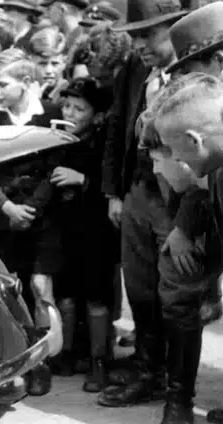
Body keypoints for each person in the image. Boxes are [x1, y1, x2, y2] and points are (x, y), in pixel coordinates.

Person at [98, 0, 190, 408]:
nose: (139, 45)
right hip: (136, 192)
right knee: (139, 289)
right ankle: (147, 369)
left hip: (180, 200)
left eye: (149, 34)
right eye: (134, 36)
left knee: (178, 293)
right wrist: (113, 193)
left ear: (175, 27)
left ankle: (177, 387)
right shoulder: (135, 70)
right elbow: (118, 127)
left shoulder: (196, 72)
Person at [0, 48, 62, 396]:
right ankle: (13, 361)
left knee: (41, 286)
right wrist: (7, 207)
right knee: (10, 289)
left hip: (42, 218)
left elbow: (54, 166)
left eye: (3, 85)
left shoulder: (50, 114)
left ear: (26, 83)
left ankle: (42, 362)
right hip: (3, 216)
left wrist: (32, 209)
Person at [159, 3, 223, 421]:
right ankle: (177, 399)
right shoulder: (207, 106)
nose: (188, 81)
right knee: (177, 283)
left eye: (197, 68)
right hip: (204, 208)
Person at [51, 77, 117, 393]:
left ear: (96, 113)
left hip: (96, 231)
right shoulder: (53, 138)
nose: (71, 113)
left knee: (96, 296)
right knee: (65, 293)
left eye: (80, 108)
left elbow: (112, 183)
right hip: (63, 229)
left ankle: (99, 359)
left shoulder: (102, 141)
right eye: (67, 106)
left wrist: (82, 179)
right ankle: (66, 351)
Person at [29, 26, 69, 104]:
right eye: (42, 64)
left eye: (55, 64)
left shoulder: (69, 98)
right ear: (31, 63)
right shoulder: (24, 90)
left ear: (64, 63)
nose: (49, 71)